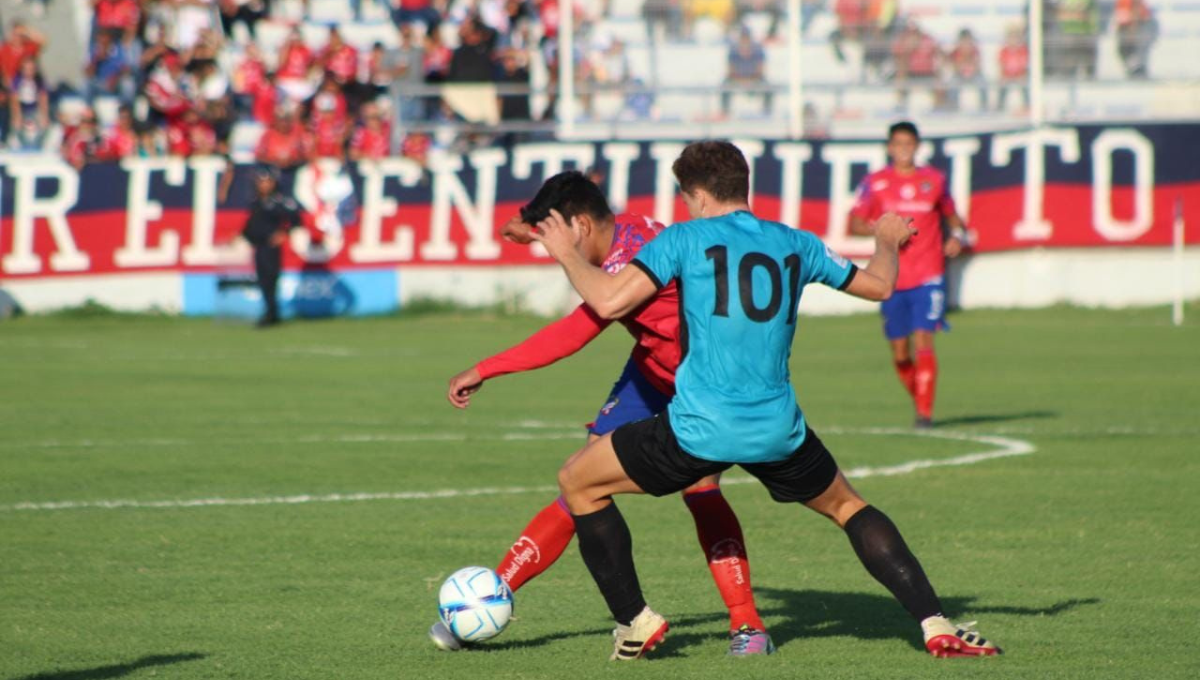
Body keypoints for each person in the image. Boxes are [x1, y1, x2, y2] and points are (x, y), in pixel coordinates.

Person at [529, 140, 1001, 661]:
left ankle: (635, 620)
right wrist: (887, 240)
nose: (687, 207)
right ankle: (935, 624)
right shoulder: (795, 242)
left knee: (578, 481)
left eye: (687, 198)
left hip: (698, 429)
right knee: (848, 506)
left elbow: (607, 298)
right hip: (778, 428)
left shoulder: (683, 239)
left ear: (701, 195)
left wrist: (568, 253)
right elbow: (879, 286)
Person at [429, 171, 775, 656]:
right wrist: (525, 227)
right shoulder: (616, 228)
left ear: (582, 225)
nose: (554, 252)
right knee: (581, 476)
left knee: (700, 486)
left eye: (556, 237)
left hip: (707, 382)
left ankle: (747, 625)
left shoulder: (627, 267)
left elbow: (569, 335)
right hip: (651, 369)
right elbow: (550, 229)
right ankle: (492, 596)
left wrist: (486, 367)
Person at [849, 121, 969, 428]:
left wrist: (956, 236)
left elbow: (955, 220)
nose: (903, 149)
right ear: (889, 147)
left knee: (924, 340)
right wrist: (882, 228)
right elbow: (855, 223)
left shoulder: (934, 180)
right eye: (898, 144)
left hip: (929, 273)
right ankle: (921, 397)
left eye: (909, 143)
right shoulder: (875, 183)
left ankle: (924, 415)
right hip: (891, 277)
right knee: (901, 352)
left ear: (917, 147)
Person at [241, 168, 302, 327]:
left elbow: (296, 220)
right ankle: (270, 312)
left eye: (266, 181)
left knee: (270, 278)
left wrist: (283, 233)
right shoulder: (256, 202)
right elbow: (251, 225)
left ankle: (271, 313)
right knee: (262, 279)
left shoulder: (279, 201)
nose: (263, 185)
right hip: (258, 245)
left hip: (270, 247)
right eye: (260, 181)